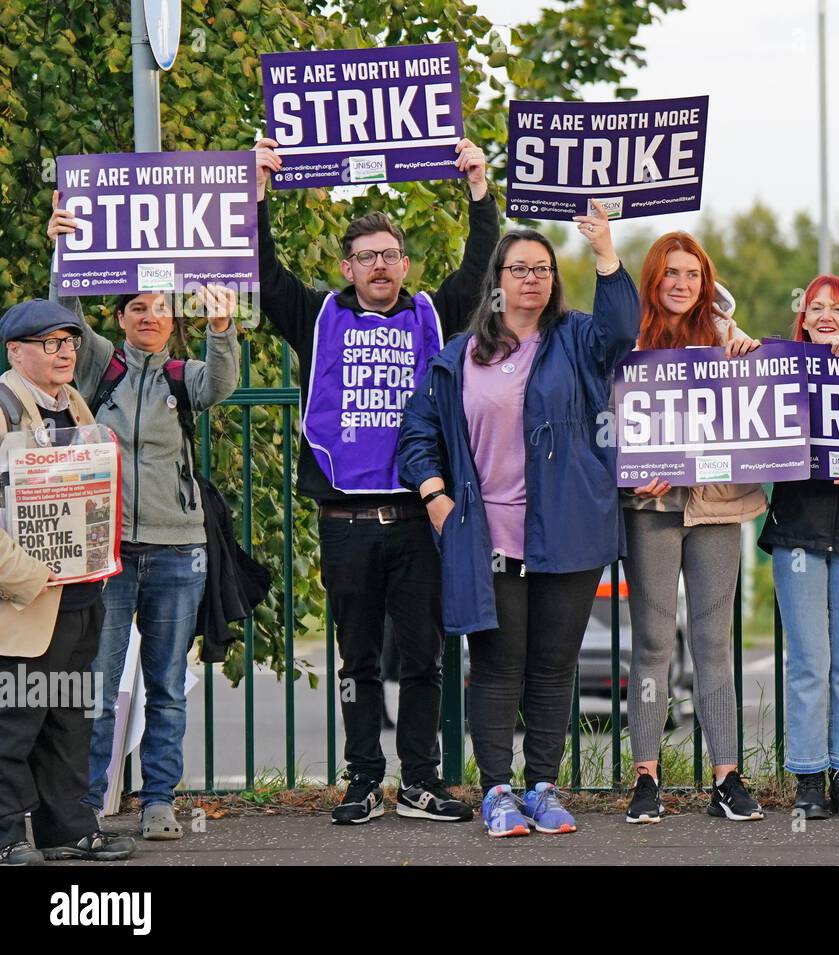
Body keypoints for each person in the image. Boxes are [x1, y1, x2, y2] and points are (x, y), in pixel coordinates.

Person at [252, 136, 498, 825]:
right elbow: (265, 274)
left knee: (423, 660)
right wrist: (260, 189)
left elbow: (481, 270)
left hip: (419, 519)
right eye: (366, 256)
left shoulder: (430, 314)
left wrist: (479, 188)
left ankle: (420, 780)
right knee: (358, 662)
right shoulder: (317, 315)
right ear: (347, 268)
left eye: (390, 254)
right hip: (345, 525)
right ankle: (363, 779)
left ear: (406, 264)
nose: (380, 265)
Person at [398, 201, 637, 837]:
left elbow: (623, 331)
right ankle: (497, 791)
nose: (531, 278)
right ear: (497, 281)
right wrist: (435, 497)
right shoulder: (460, 356)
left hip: (568, 531)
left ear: (555, 280)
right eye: (518, 268)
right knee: (499, 666)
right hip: (488, 535)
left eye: (542, 269)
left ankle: (544, 787)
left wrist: (606, 254)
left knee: (554, 666)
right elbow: (417, 433)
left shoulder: (577, 338)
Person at [47, 196, 241, 838]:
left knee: (163, 682)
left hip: (179, 550)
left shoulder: (183, 375)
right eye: (138, 308)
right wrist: (64, 248)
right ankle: (89, 805)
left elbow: (221, 386)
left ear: (170, 317)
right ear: (122, 318)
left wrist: (221, 327)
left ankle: (159, 800)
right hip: (106, 552)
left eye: (161, 307)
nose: (151, 317)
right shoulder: (102, 366)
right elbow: (64, 316)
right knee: (98, 689)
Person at [622, 232, 767, 825]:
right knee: (654, 644)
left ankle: (726, 777)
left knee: (714, 643)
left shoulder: (729, 338)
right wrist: (633, 476)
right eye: (670, 273)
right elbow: (611, 421)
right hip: (652, 509)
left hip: (717, 505)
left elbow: (768, 402)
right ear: (654, 278)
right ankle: (646, 778)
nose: (681, 283)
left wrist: (758, 361)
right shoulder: (629, 341)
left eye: (692, 273)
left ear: (705, 281)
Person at [0, 299, 134, 865]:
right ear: (16, 352)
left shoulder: (75, 405)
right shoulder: (3, 407)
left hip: (83, 591)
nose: (65, 353)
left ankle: (67, 830)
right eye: (50, 343)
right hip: (28, 598)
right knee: (15, 721)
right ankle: (6, 836)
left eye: (70, 342)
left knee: (69, 716)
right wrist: (29, 576)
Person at [756, 274, 839, 820]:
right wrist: (743, 344)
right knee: (809, 661)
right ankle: (808, 776)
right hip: (799, 534)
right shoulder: (779, 371)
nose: (826, 315)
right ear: (802, 319)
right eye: (816, 308)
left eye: (838, 308)